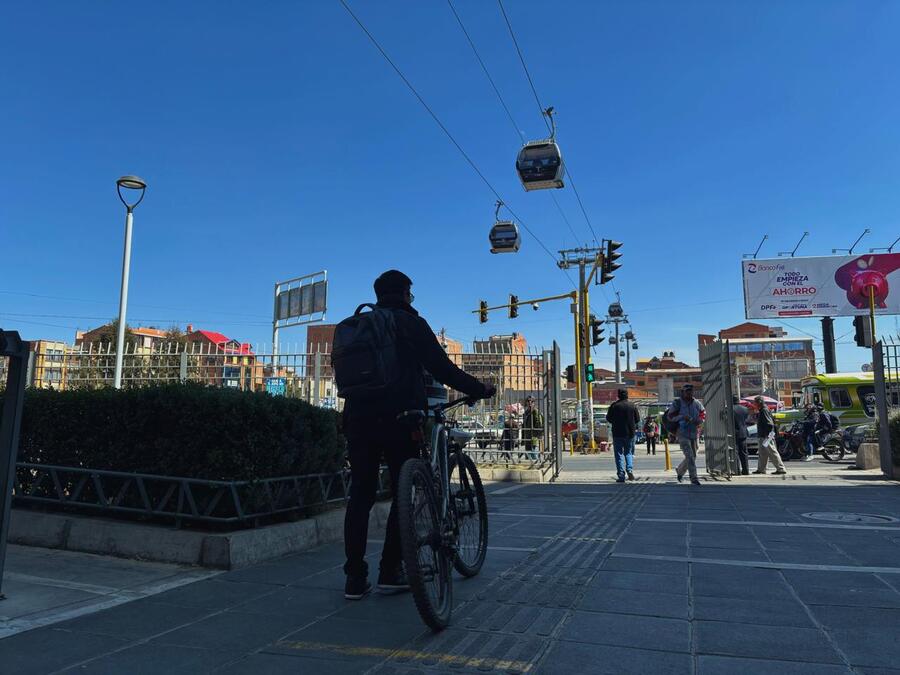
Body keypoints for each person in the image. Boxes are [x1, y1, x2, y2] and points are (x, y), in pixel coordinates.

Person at [340, 270, 495, 600]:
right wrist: (479, 388)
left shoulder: (357, 326)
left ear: (379, 293)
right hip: (400, 417)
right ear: (406, 293)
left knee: (361, 496)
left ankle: (354, 578)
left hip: (357, 419)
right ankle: (390, 570)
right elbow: (442, 368)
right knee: (403, 492)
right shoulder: (410, 323)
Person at [668, 384, 705, 485]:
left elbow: (702, 413)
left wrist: (700, 420)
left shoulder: (697, 403)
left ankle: (680, 471)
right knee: (689, 455)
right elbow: (670, 416)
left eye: (691, 391)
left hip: (694, 432)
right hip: (682, 432)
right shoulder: (677, 403)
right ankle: (694, 478)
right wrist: (682, 417)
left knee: (693, 455)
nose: (689, 393)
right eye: (687, 391)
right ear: (683, 392)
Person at [606, 388, 641, 482]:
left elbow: (608, 418)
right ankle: (629, 469)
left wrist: (616, 421)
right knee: (628, 453)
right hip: (630, 433)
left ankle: (621, 475)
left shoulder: (614, 406)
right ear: (627, 395)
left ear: (618, 395)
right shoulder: (632, 405)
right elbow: (637, 419)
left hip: (617, 433)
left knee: (618, 454)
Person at [753, 395, 787, 475]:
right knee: (762, 453)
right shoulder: (763, 409)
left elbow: (769, 424)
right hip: (764, 435)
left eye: (755, 403)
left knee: (772, 451)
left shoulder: (764, 410)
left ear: (759, 403)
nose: (754, 404)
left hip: (766, 435)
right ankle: (761, 469)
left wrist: (767, 436)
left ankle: (781, 468)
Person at [522, 395, 544, 462]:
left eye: (532, 401)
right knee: (528, 454)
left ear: (534, 402)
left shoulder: (535, 411)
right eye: (528, 401)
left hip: (534, 436)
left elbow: (539, 423)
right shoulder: (526, 412)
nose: (530, 402)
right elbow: (524, 425)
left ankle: (536, 465)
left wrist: (538, 434)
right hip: (527, 436)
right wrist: (523, 437)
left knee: (534, 452)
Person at [732, 395, 751, 475]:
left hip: (734, 433)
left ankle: (737, 470)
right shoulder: (745, 409)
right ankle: (746, 470)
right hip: (743, 433)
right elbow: (746, 420)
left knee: (735, 452)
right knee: (743, 452)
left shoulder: (731, 409)